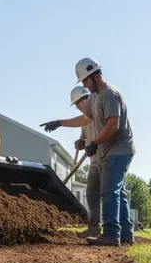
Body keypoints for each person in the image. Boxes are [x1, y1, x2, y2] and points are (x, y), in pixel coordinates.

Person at [41, 58, 135, 246]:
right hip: (111, 150)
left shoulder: (109, 94)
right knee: (118, 192)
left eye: (85, 81)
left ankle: (111, 234)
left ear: (96, 76)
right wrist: (60, 122)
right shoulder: (95, 97)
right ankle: (126, 234)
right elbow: (85, 119)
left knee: (109, 191)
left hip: (119, 149)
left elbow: (113, 124)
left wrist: (94, 143)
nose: (84, 85)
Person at [68, 84, 101, 237]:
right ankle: (94, 227)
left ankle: (114, 229)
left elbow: (107, 132)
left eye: (77, 104)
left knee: (109, 195)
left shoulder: (98, 112)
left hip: (106, 158)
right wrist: (81, 143)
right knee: (91, 194)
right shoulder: (85, 119)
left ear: (84, 99)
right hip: (94, 161)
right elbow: (85, 137)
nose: (77, 108)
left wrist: (93, 143)